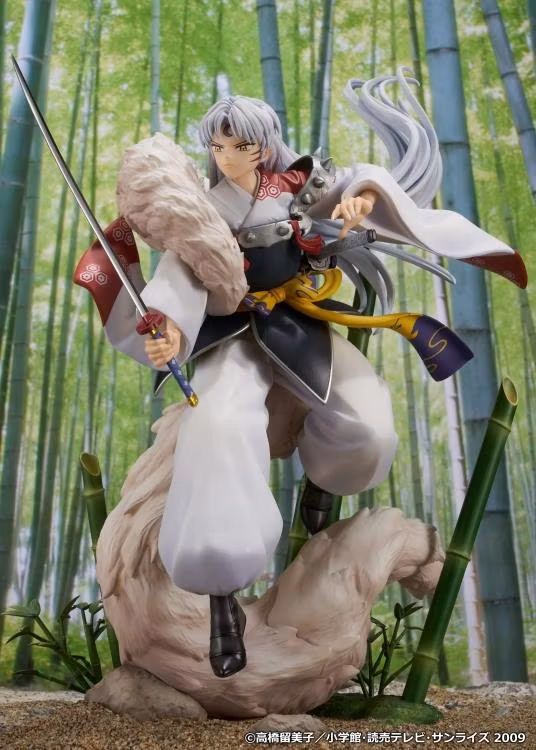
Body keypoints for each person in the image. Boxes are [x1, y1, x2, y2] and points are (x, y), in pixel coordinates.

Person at [74, 70, 525, 679]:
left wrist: (358, 204)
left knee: (367, 423)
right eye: (217, 146)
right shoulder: (204, 210)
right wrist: (171, 330)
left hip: (295, 323)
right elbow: (178, 280)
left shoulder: (298, 186)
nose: (227, 157)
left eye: (240, 146)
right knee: (219, 429)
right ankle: (220, 594)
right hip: (229, 333)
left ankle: (325, 481)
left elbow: (357, 191)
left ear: (264, 145)